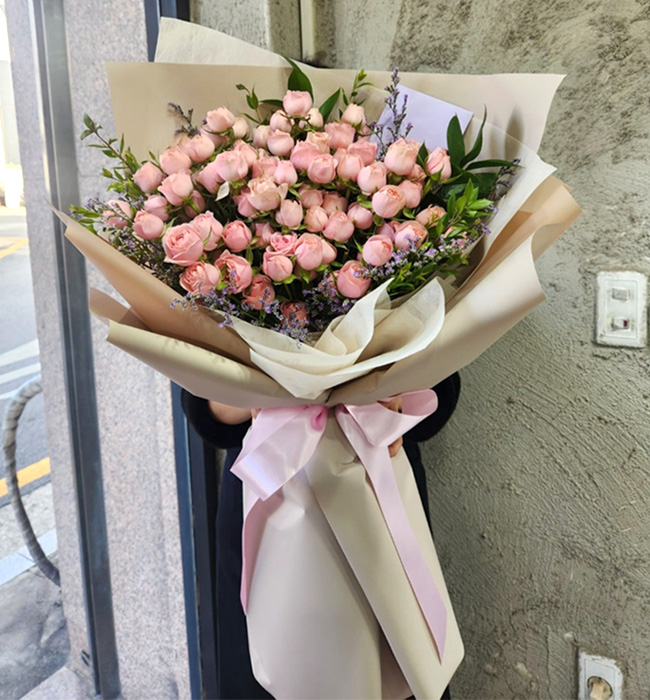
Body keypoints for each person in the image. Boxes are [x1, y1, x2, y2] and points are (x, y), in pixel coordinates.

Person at [182, 373, 460, 700]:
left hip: (378, 484)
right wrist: (261, 392)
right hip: (270, 489)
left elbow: (443, 390)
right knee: (271, 667)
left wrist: (390, 397)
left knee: (402, 658)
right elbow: (202, 409)